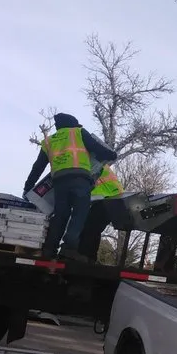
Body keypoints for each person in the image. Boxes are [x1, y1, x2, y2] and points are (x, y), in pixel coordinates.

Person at [24, 112, 118, 261]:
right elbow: (97, 148)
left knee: (60, 215)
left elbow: (38, 167)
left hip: (60, 182)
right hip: (80, 180)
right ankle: (69, 248)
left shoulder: (48, 141)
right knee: (79, 214)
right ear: (73, 124)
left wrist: (28, 187)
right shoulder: (78, 132)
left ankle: (49, 249)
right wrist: (111, 154)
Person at [78, 162, 125, 262]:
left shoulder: (92, 165)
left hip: (109, 198)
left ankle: (84, 256)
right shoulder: (98, 163)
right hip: (113, 199)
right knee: (94, 229)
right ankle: (90, 257)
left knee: (89, 227)